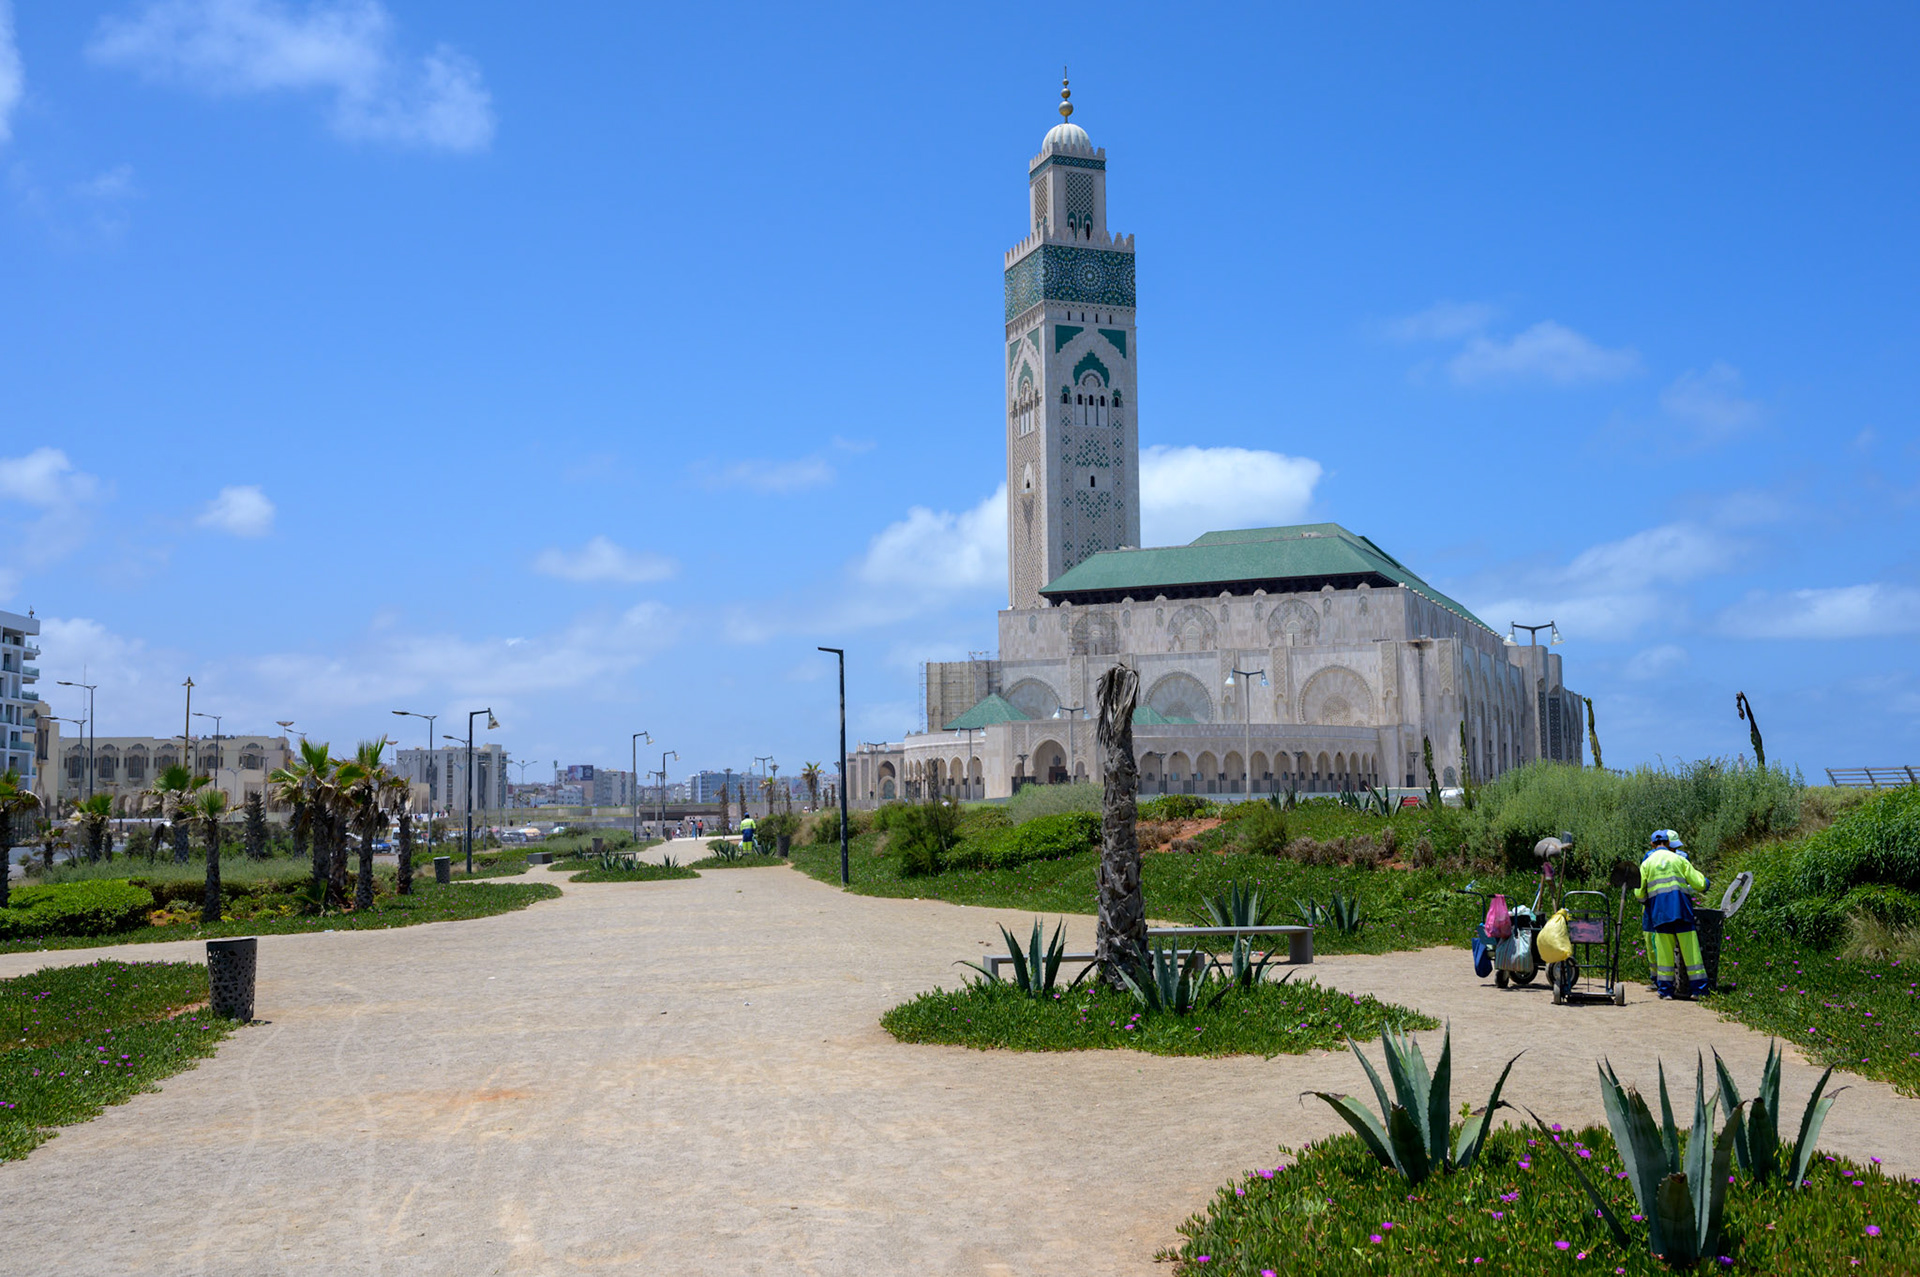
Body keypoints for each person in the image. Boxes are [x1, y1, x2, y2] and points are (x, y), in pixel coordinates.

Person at [1637, 828, 1710, 999]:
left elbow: (1639, 893)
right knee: (1691, 952)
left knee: (1664, 954)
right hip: (1682, 910)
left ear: (1652, 844)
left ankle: (1666, 991)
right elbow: (1700, 884)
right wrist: (1706, 883)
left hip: (1660, 914)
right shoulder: (1679, 859)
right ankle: (1699, 990)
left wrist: (1646, 900)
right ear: (1668, 843)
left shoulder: (1647, 863)